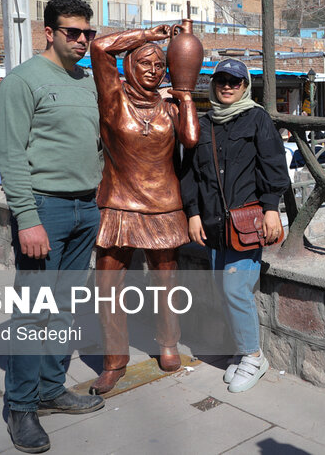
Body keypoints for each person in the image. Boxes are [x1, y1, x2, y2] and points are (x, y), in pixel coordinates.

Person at [0, 0, 105, 452]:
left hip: (86, 208)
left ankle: (50, 387)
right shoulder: (23, 81)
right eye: (72, 32)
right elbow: (11, 154)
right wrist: (27, 218)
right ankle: (21, 406)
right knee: (31, 312)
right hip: (46, 209)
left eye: (88, 33)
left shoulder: (89, 80)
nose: (81, 41)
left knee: (63, 306)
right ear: (50, 32)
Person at [88, 26, 200, 395]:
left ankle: (168, 343)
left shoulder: (169, 106)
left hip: (163, 205)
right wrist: (149, 34)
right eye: (144, 62)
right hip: (119, 202)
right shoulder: (113, 99)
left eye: (159, 64)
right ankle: (113, 360)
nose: (152, 70)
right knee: (107, 285)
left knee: (166, 280)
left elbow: (191, 139)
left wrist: (185, 97)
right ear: (129, 65)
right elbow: (100, 46)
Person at [181, 59, 289, 393]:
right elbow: (190, 175)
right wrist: (193, 213)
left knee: (234, 289)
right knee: (223, 291)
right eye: (222, 80)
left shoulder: (257, 119)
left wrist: (272, 209)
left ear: (245, 86)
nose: (228, 86)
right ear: (213, 85)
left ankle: (255, 358)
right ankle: (243, 352)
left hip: (246, 223)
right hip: (213, 223)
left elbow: (274, 166)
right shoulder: (203, 124)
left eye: (235, 81)